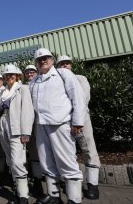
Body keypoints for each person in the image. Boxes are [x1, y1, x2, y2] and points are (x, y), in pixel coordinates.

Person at [30, 48, 86, 204]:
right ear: (36, 63)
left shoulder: (63, 74)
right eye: (40, 59)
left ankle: (74, 199)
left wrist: (78, 121)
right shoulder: (34, 81)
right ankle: (54, 196)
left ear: (52, 60)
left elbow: (77, 97)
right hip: (41, 125)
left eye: (46, 58)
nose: (43, 61)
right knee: (46, 162)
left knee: (67, 162)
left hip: (60, 124)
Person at [57, 55, 101, 200]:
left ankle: (93, 185)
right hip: (63, 120)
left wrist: (77, 120)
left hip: (81, 117)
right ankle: (70, 182)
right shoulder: (57, 81)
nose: (64, 66)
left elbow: (83, 99)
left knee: (88, 147)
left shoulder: (80, 78)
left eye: (67, 63)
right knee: (66, 150)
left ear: (71, 65)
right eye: (61, 64)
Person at [0, 64, 35, 204]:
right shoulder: (3, 91)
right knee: (10, 160)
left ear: (17, 75)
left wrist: (26, 132)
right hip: (3, 125)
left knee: (17, 161)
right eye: (7, 75)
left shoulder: (23, 88)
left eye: (12, 74)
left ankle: (23, 196)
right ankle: (17, 191)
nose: (9, 76)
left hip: (17, 128)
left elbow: (27, 111)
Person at [23, 65, 44, 196]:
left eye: (32, 72)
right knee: (33, 151)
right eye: (27, 72)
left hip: (43, 121)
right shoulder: (24, 87)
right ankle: (37, 180)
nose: (30, 74)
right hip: (29, 124)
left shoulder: (42, 82)